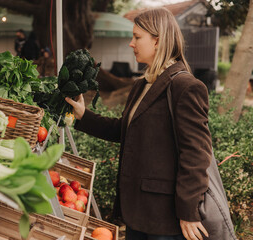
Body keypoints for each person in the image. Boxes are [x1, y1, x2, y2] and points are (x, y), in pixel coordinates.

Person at [65, 7, 212, 240]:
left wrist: (189, 211)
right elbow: (125, 129)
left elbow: (196, 154)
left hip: (165, 219)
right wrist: (84, 115)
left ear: (158, 40)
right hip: (138, 212)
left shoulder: (186, 87)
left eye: (137, 37)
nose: (131, 44)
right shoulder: (143, 84)